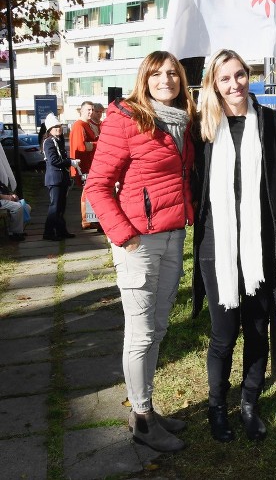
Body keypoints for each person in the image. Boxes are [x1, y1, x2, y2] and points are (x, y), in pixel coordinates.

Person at [84, 51, 196, 453]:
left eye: (173, 73)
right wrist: (124, 236)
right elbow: (97, 185)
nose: (166, 79)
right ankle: (143, 419)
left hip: (172, 236)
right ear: (144, 79)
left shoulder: (181, 121)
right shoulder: (126, 119)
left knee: (158, 328)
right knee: (141, 332)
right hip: (139, 241)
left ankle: (144, 409)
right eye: (157, 73)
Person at [191, 50, 276, 443]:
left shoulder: (272, 123)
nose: (235, 84)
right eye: (225, 78)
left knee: (257, 329)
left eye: (240, 75)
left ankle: (250, 403)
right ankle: (216, 407)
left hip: (263, 244)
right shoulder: (202, 129)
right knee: (224, 334)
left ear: (248, 76)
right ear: (213, 84)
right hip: (217, 245)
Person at [42, 113, 80, 241]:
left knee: (61, 207)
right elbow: (54, 160)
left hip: (61, 178)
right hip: (54, 179)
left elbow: (62, 158)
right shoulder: (49, 142)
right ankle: (48, 233)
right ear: (50, 129)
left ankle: (61, 231)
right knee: (55, 207)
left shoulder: (58, 140)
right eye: (55, 127)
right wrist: (70, 162)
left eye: (59, 126)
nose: (58, 129)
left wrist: (72, 160)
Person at [69, 101, 99, 229]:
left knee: (90, 192)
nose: (91, 112)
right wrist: (98, 144)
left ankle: (91, 219)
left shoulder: (87, 124)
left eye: (92, 109)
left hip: (89, 165)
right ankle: (86, 220)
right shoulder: (79, 125)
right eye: (88, 110)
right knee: (87, 193)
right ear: (81, 110)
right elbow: (81, 147)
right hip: (84, 166)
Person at [0, 143, 30, 242]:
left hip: (4, 198)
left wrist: (11, 195)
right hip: (1, 200)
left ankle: (19, 229)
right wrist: (7, 197)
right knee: (17, 207)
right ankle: (14, 233)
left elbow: (3, 187)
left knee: (26, 207)